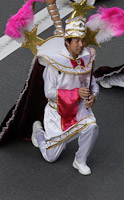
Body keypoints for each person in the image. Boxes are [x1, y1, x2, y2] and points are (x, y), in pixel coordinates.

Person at [30, 18, 99, 175]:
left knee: (92, 126)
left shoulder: (86, 59)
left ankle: (80, 160)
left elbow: (92, 84)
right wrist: (75, 93)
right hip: (58, 113)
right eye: (76, 41)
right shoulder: (54, 65)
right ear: (67, 42)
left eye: (82, 40)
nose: (81, 44)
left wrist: (93, 96)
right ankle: (38, 131)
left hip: (79, 108)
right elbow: (49, 92)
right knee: (50, 157)